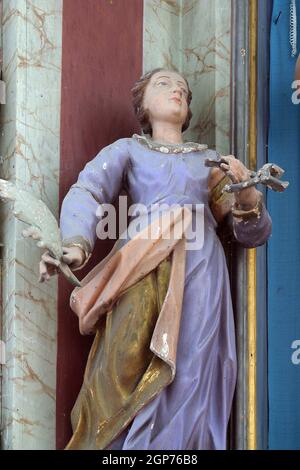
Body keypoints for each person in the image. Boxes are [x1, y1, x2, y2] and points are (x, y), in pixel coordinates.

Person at [39, 68, 272, 450]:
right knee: (120, 362)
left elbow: (251, 234)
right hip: (140, 263)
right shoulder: (129, 150)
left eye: (183, 88)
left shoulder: (211, 161)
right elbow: (88, 189)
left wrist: (248, 199)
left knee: (193, 364)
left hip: (200, 268)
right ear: (143, 106)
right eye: (164, 84)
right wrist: (76, 244)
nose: (177, 90)